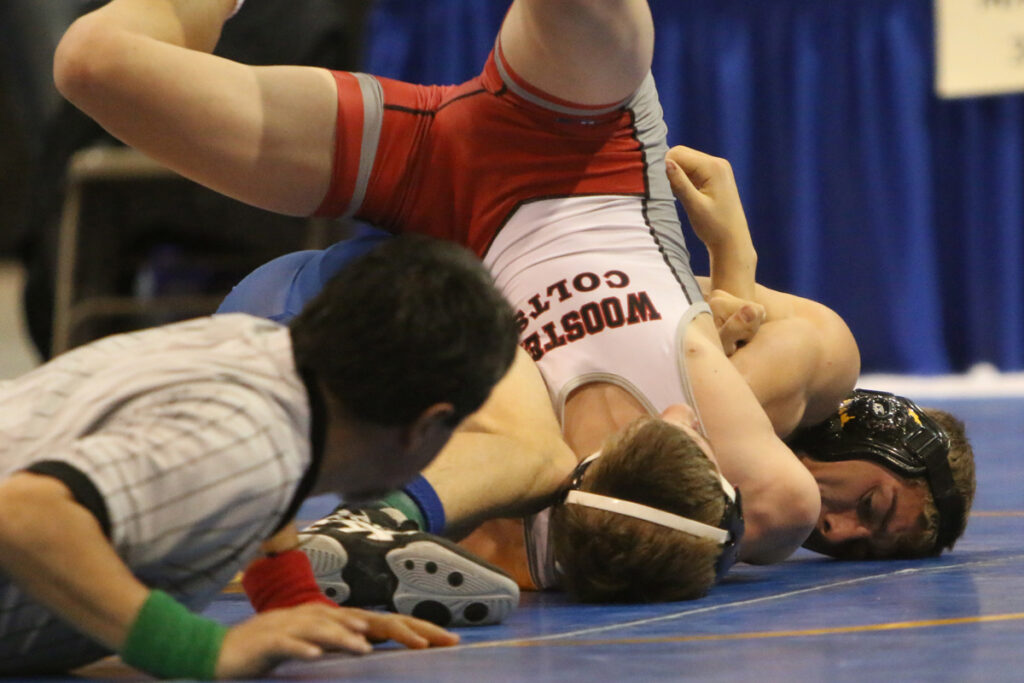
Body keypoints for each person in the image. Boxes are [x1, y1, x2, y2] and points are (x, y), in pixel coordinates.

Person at [51, 0, 969, 610]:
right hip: (573, 144)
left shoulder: (533, 473)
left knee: (93, 65)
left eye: (852, 545)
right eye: (876, 509)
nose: (842, 530)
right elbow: (783, 499)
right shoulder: (787, 399)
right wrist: (733, 267)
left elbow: (545, 528)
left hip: (425, 213)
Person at [0, 235, 519, 678]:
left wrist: (291, 596)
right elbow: (23, 513)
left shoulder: (265, 351)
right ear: (426, 425)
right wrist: (201, 651)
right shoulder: (252, 443)